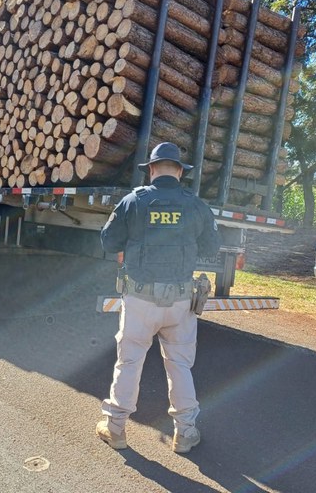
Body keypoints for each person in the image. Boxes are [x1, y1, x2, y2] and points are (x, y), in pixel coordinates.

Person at [97, 142, 220, 453]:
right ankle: (185, 433)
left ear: (151, 170)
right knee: (179, 364)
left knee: (129, 362)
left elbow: (108, 242)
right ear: (179, 172)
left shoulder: (133, 201)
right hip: (180, 302)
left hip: (139, 301)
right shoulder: (195, 205)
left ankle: (116, 429)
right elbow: (212, 248)